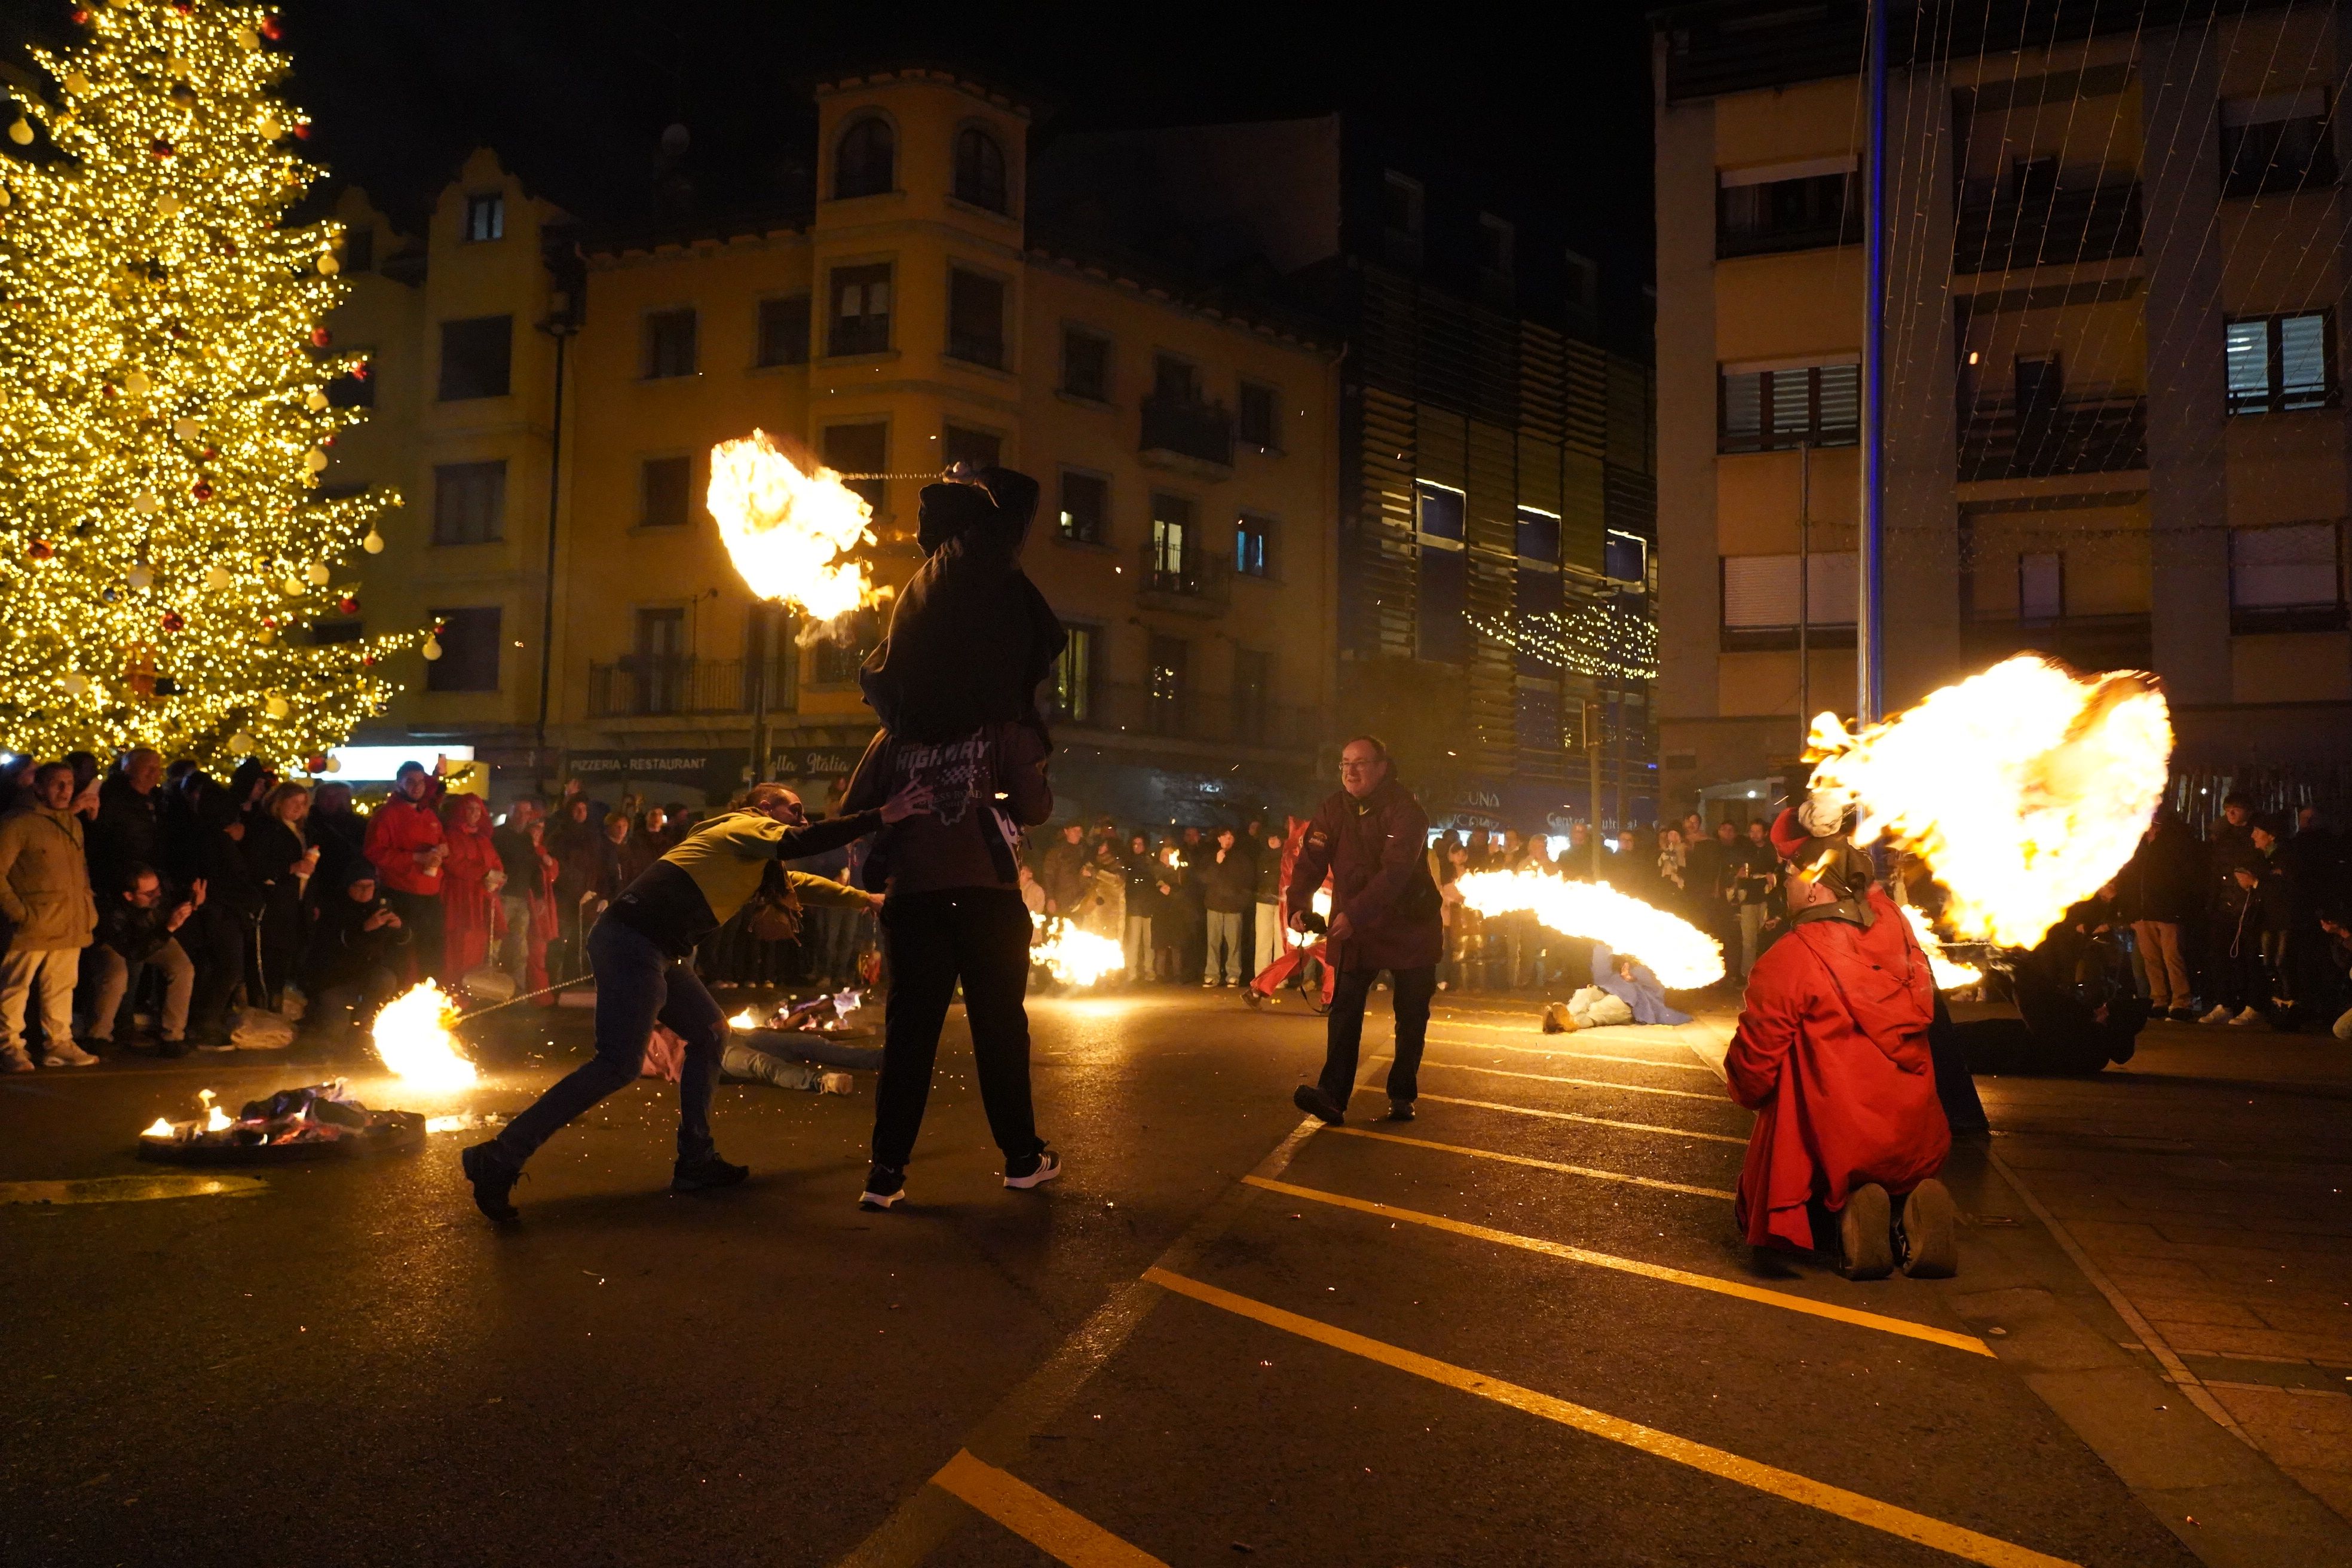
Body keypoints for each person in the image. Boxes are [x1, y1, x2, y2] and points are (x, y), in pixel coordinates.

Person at [459, 777, 926, 1221]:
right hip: (634, 941)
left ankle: (695, 1162)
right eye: (794, 809)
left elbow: (796, 886)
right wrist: (881, 815)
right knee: (617, 1064)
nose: (803, 818)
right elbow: (801, 844)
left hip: (657, 949)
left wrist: (862, 898)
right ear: (765, 809)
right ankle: (498, 1157)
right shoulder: (742, 826)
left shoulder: (752, 857)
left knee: (710, 1033)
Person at [1725, 806, 1956, 1281]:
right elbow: (1871, 894)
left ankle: (1843, 1215)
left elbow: (1754, 1063)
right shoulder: (1897, 927)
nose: (1781, 884)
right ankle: (1902, 1204)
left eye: (1787, 874)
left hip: (1838, 1136)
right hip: (1915, 1132)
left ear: (1813, 887)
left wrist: (1749, 1092)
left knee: (1789, 1078)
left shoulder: (1791, 958)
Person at [840, 707, 1054, 1210]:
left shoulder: (895, 733)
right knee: (999, 1029)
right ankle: (1022, 1159)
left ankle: (886, 1172)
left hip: (914, 896)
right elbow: (1037, 807)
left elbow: (853, 806)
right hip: (986, 897)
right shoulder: (1003, 726)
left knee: (910, 1034)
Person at [1287, 736, 1444, 1126]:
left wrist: (1354, 913)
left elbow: (1394, 872)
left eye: (1360, 763)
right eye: (1344, 763)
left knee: (1411, 1015)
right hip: (1357, 927)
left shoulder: (1407, 811)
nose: (1350, 771)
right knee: (1345, 1009)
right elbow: (1312, 858)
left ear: (1382, 766)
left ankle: (1402, 1094)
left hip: (1410, 926)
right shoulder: (1333, 808)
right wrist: (1298, 904)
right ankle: (1332, 1096)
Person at [0, 762, 102, 1070]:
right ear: (38, 788)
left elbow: (79, 871)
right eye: (57, 784)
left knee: (61, 986)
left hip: (68, 921)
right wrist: (20, 912)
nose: (65, 790)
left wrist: (88, 910)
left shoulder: (72, 824)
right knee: (15, 987)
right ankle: (9, 1046)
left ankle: (60, 1043)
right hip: (33, 924)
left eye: (69, 783)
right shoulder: (17, 824)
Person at [87, 864, 201, 1054]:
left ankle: (173, 1036)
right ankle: (98, 1036)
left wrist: (193, 902)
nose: (157, 895)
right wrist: (169, 928)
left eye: (158, 890)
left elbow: (178, 896)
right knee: (116, 976)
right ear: (129, 896)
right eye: (149, 894)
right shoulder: (113, 912)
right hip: (121, 943)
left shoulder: (162, 891)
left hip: (154, 932)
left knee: (182, 968)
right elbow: (133, 952)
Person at [363, 761, 448, 981]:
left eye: (421, 781)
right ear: (399, 783)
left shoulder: (428, 814)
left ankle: (432, 1000)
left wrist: (442, 851)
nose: (417, 787)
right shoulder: (387, 815)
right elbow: (374, 852)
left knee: (432, 951)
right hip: (401, 893)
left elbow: (443, 843)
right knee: (400, 951)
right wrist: (416, 858)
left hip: (430, 894)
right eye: (410, 782)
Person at [303, 866, 411, 1037]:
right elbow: (335, 944)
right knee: (335, 1029)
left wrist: (400, 928)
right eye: (360, 887)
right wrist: (365, 928)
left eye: (370, 886)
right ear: (349, 887)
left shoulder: (380, 906)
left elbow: (400, 942)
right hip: (335, 979)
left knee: (385, 980)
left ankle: (363, 1026)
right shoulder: (334, 908)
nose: (366, 891)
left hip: (366, 974)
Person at [2119, 808, 2201, 1022]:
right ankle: (2159, 1000)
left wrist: (2181, 906)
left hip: (2168, 910)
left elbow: (2187, 877)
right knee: (2151, 959)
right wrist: (2130, 911)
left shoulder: (2176, 842)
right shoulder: (2138, 843)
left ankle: (2181, 1002)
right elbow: (2129, 877)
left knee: (2173, 957)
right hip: (2143, 911)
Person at [243, 782, 317, 1010]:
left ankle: (275, 1007)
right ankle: (262, 1008)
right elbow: (257, 865)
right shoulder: (267, 828)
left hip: (294, 904)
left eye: (302, 803)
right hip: (274, 904)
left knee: (284, 958)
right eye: (293, 802)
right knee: (269, 957)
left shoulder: (300, 831)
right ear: (279, 801)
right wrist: (290, 868)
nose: (298, 808)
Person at [439, 793, 504, 983]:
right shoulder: (450, 836)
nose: (475, 813)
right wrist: (485, 874)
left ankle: (472, 989)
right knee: (456, 944)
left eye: (478, 809)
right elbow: (453, 864)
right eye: (470, 808)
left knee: (478, 944)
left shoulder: (483, 839)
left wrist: (496, 879)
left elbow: (496, 864)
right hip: (458, 898)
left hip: (480, 898)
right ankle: (453, 990)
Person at [85, 748, 166, 899]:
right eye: (149, 768)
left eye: (158, 768)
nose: (155, 773)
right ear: (128, 768)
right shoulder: (109, 798)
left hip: (152, 879)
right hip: (123, 885)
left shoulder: (159, 799)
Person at [492, 798, 546, 986]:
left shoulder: (526, 839)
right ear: (510, 812)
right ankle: (490, 990)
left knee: (518, 948)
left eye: (527, 813)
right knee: (494, 945)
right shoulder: (497, 836)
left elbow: (533, 869)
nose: (523, 817)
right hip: (502, 898)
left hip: (521, 899)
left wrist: (539, 896)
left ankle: (517, 993)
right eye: (519, 812)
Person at [1199, 828, 1252, 987]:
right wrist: (1217, 863)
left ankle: (1233, 974)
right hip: (1214, 905)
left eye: (1231, 837)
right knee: (1213, 943)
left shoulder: (1241, 858)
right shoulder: (1210, 857)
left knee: (1234, 943)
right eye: (1225, 837)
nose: (1228, 840)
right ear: (1219, 839)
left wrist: (1241, 902)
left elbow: (1248, 882)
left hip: (1234, 907)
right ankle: (1212, 974)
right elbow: (1204, 879)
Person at [305, 781, 367, 896]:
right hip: (324, 884)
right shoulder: (310, 825)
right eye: (338, 797)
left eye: (346, 797)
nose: (343, 802)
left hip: (354, 882)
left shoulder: (358, 824)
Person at [1122, 831, 1166, 981]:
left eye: (1140, 844)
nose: (1137, 847)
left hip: (1149, 906)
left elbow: (1157, 879)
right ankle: (1131, 971)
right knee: (1133, 941)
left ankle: (1149, 970)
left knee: (1149, 941)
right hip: (1134, 906)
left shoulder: (1151, 862)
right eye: (1135, 844)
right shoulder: (1127, 862)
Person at [1250, 827, 1287, 981]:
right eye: (1270, 837)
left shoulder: (1287, 857)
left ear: (1281, 840)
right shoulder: (1262, 856)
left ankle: (1278, 978)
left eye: (1275, 837)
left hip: (1281, 902)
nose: (1272, 840)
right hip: (1264, 901)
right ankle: (1261, 978)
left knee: (1280, 941)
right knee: (1263, 940)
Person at [1039, 822, 1088, 919]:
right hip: (1060, 902)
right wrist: (1050, 898)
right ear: (1066, 831)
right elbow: (1048, 876)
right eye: (1075, 830)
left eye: (1080, 831)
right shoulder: (1056, 852)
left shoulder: (1084, 851)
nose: (1078, 833)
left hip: (1079, 903)